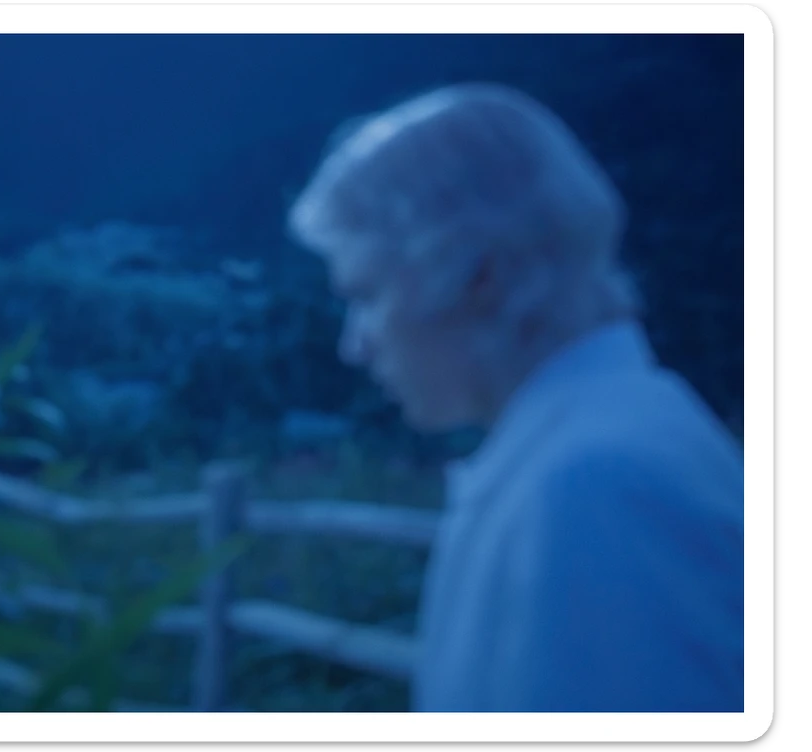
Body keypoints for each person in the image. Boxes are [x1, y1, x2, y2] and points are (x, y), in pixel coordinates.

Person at [285, 82, 744, 712]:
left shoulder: (596, 483)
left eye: (368, 295)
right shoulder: (593, 449)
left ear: (479, 275)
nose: (355, 346)